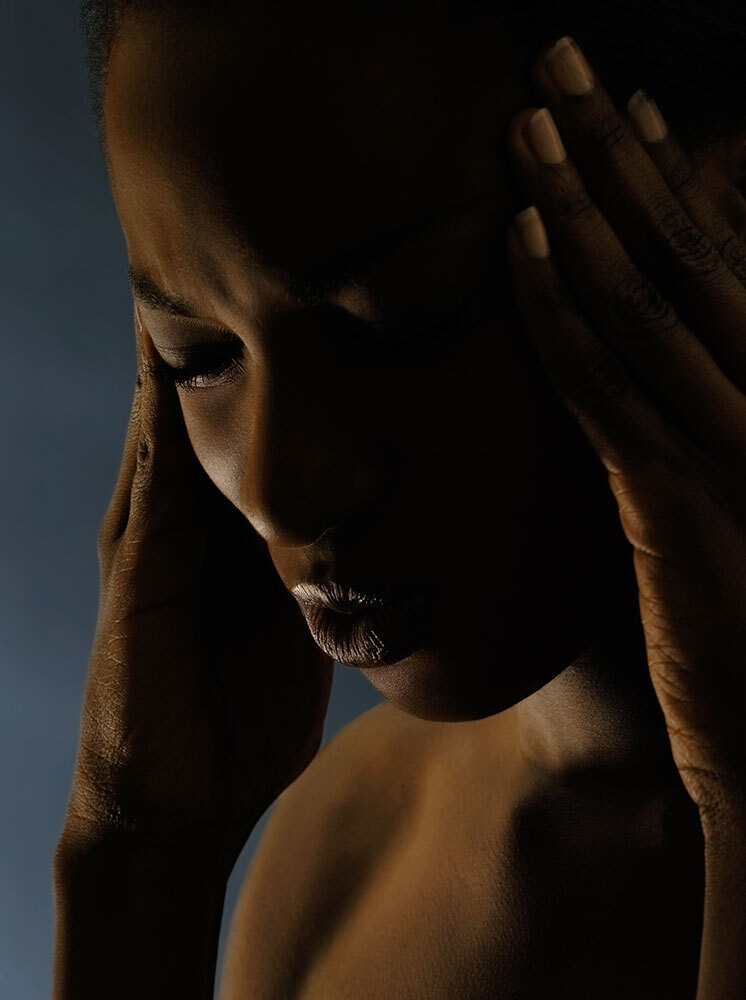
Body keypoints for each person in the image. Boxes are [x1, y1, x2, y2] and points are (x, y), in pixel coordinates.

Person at [53, 1, 746, 997]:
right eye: (197, 356)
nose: (282, 492)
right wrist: (136, 871)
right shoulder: (341, 858)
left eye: (401, 320)